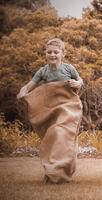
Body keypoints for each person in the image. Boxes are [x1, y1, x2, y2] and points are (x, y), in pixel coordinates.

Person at [17, 38, 83, 184]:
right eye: (49, 52)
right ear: (45, 54)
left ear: (63, 53)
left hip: (68, 106)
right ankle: (53, 171)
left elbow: (80, 81)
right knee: (53, 138)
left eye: (56, 52)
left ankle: (62, 170)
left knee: (63, 135)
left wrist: (77, 83)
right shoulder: (43, 71)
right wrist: (23, 92)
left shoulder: (69, 68)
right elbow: (30, 86)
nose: (52, 55)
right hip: (51, 109)